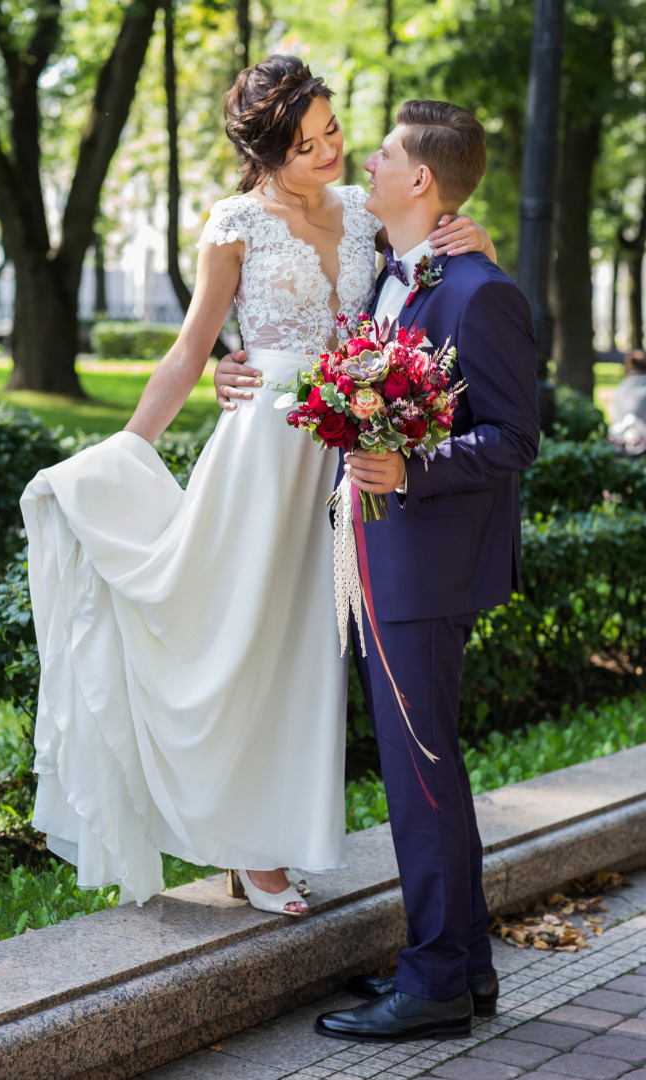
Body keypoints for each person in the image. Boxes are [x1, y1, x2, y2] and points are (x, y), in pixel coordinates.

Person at [20, 56, 491, 919]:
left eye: (333, 132)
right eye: (306, 143)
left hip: (346, 457)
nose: (329, 153)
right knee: (239, 644)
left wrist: (479, 240)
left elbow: (422, 274)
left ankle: (273, 844)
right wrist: (129, 448)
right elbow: (194, 347)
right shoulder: (234, 222)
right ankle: (248, 851)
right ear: (266, 150)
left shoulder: (363, 214)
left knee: (309, 655)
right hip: (261, 457)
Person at [214, 100, 540, 1040]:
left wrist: (413, 468)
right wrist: (237, 367)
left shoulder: (479, 292)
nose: (369, 159)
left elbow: (513, 438)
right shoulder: (397, 276)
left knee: (421, 779)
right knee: (425, 772)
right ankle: (462, 967)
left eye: (388, 151)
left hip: (423, 568)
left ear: (421, 180)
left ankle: (435, 980)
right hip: (375, 558)